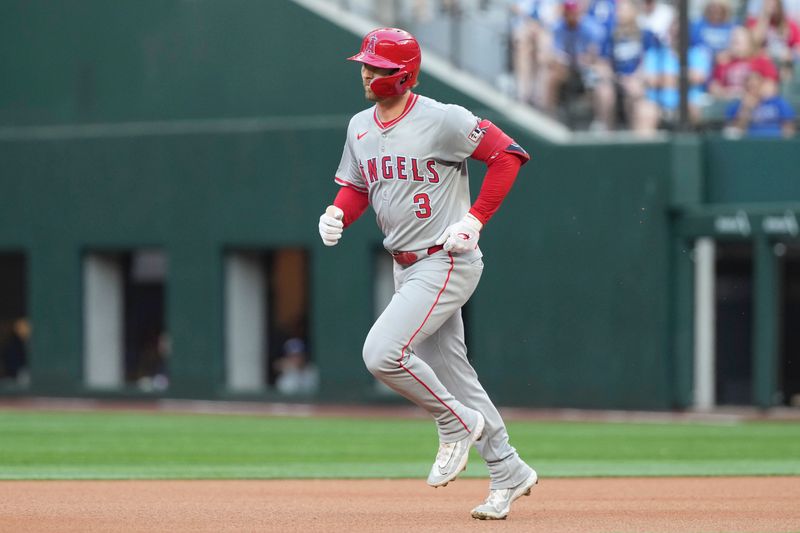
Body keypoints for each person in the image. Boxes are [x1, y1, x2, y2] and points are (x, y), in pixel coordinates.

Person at [317, 27, 537, 520]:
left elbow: (509, 155)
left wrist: (475, 219)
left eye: (378, 67)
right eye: (366, 65)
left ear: (405, 75)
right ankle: (508, 470)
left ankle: (455, 423)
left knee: (382, 354)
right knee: (458, 378)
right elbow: (355, 186)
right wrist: (337, 213)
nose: (367, 74)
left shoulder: (443, 119)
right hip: (405, 264)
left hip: (445, 258)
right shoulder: (359, 127)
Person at [724, 70, 797, 137]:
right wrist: (746, 108)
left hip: (775, 141)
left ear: (762, 85)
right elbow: (735, 133)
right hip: (749, 143)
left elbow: (789, 126)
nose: (753, 90)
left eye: (756, 86)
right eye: (749, 87)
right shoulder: (737, 106)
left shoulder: (777, 102)